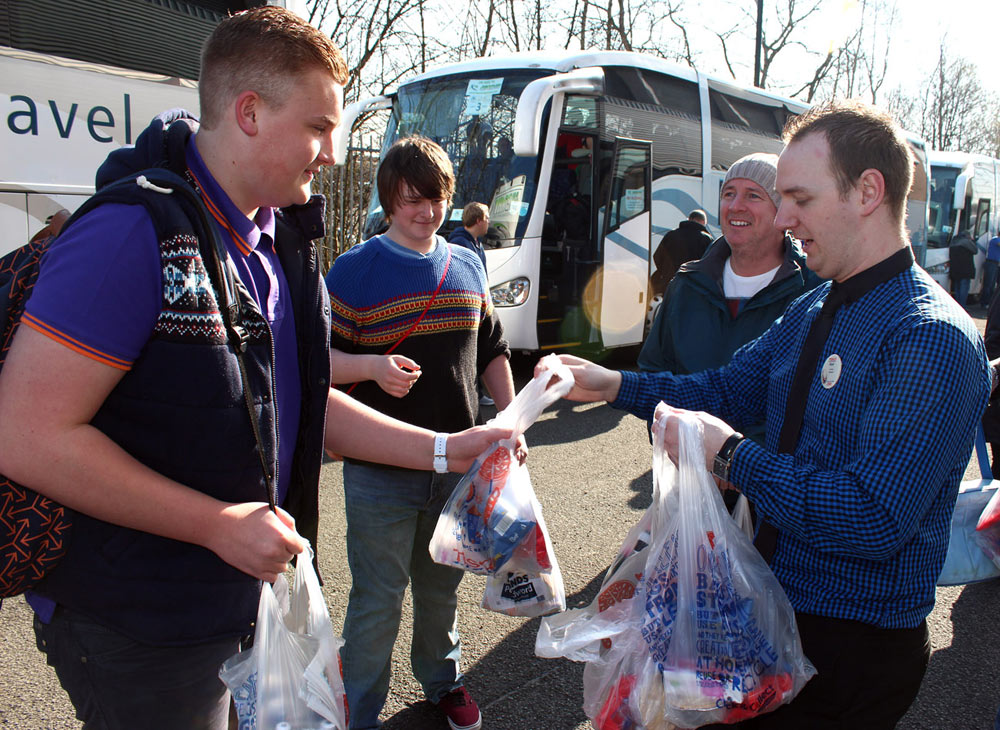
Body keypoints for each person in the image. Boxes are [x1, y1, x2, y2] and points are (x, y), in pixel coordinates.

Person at [0, 9, 507, 730]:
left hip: (241, 597)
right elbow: (26, 436)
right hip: (139, 621)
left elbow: (302, 402)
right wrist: (215, 524)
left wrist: (444, 449)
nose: (332, 152)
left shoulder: (277, 244)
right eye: (318, 127)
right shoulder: (129, 233)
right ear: (248, 114)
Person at [542, 100, 991, 728]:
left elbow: (871, 518)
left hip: (850, 648)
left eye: (799, 200)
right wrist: (611, 382)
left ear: (868, 191)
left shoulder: (928, 336)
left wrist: (729, 455)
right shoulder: (817, 307)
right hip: (772, 614)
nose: (783, 218)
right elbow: (728, 389)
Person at [326, 136, 521, 730]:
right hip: (379, 468)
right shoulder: (353, 271)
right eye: (411, 199)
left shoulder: (467, 263)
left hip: (457, 468)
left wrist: (510, 419)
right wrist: (370, 368)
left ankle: (442, 681)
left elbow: (491, 348)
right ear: (388, 200)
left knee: (440, 591)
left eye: (434, 197)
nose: (425, 211)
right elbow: (314, 365)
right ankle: (359, 708)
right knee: (378, 600)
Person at [639, 153, 821, 444]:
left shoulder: (813, 291)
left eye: (753, 195)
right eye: (728, 193)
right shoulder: (687, 285)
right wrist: (672, 434)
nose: (736, 206)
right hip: (687, 471)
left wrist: (735, 457)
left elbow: (818, 405)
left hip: (768, 481)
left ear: (782, 210)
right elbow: (654, 372)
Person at [649, 208, 714, 296]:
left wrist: (667, 273)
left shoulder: (670, 235)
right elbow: (711, 264)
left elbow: (657, 257)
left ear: (689, 219)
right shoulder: (706, 238)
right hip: (695, 289)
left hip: (670, 287)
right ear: (703, 222)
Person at [448, 201, 489, 272]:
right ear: (478, 221)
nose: (489, 222)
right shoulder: (459, 243)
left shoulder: (477, 242)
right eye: (487, 218)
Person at [949, 228, 977, 308]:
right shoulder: (966, 242)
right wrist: (972, 241)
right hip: (965, 269)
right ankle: (962, 305)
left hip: (955, 269)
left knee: (957, 288)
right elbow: (975, 250)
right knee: (964, 288)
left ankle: (957, 305)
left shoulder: (953, 242)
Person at [981, 229, 1000, 306]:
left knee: (992, 285)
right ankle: (985, 302)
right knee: (988, 284)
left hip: (995, 264)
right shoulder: (995, 240)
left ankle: (989, 302)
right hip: (991, 263)